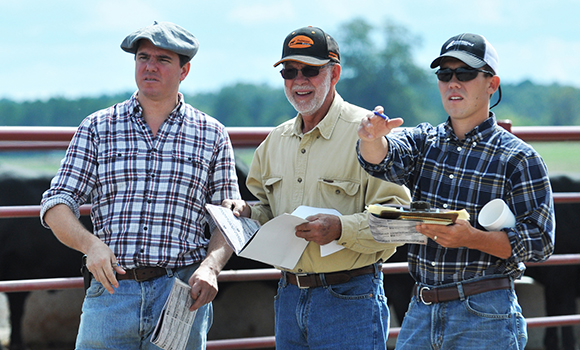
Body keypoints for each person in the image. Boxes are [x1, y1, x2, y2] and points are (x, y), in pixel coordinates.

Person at [40, 21, 239, 349]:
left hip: (181, 294)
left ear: (184, 70)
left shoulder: (211, 134)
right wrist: (91, 246)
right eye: (143, 57)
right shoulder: (97, 128)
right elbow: (57, 203)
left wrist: (211, 267)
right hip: (112, 289)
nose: (149, 66)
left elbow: (227, 217)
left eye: (163, 60)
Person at [357, 33, 555, 349]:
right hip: (421, 308)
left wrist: (472, 238)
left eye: (464, 74)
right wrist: (371, 138)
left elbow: (541, 242)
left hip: (486, 313)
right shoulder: (423, 141)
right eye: (445, 74)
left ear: (492, 84)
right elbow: (383, 162)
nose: (453, 83)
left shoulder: (519, 157)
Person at [225, 26, 410, 349]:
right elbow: (268, 211)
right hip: (288, 296)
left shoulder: (369, 134)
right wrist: (246, 211)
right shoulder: (273, 143)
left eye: (310, 70)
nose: (298, 80)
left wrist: (340, 228)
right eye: (289, 71)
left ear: (334, 73)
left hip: (350, 298)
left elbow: (400, 222)